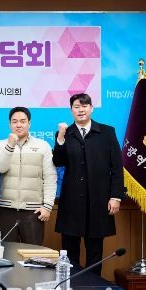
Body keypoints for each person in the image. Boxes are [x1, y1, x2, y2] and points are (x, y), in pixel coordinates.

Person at [53, 93, 124, 275]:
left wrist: (116, 196)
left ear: (91, 108)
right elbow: (58, 161)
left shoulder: (107, 132)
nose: (81, 110)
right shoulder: (65, 133)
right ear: (71, 110)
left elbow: (117, 167)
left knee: (95, 251)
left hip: (98, 201)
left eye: (84, 106)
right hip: (72, 202)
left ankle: (93, 286)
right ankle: (70, 285)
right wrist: (60, 139)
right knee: (70, 250)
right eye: (76, 107)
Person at [0, 107, 57, 245]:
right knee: (6, 253)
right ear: (10, 124)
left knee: (33, 253)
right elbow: (1, 168)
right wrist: (10, 146)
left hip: (33, 211)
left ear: (29, 123)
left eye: (22, 121)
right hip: (7, 209)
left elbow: (50, 177)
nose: (18, 125)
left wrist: (47, 206)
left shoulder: (43, 146)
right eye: (14, 121)